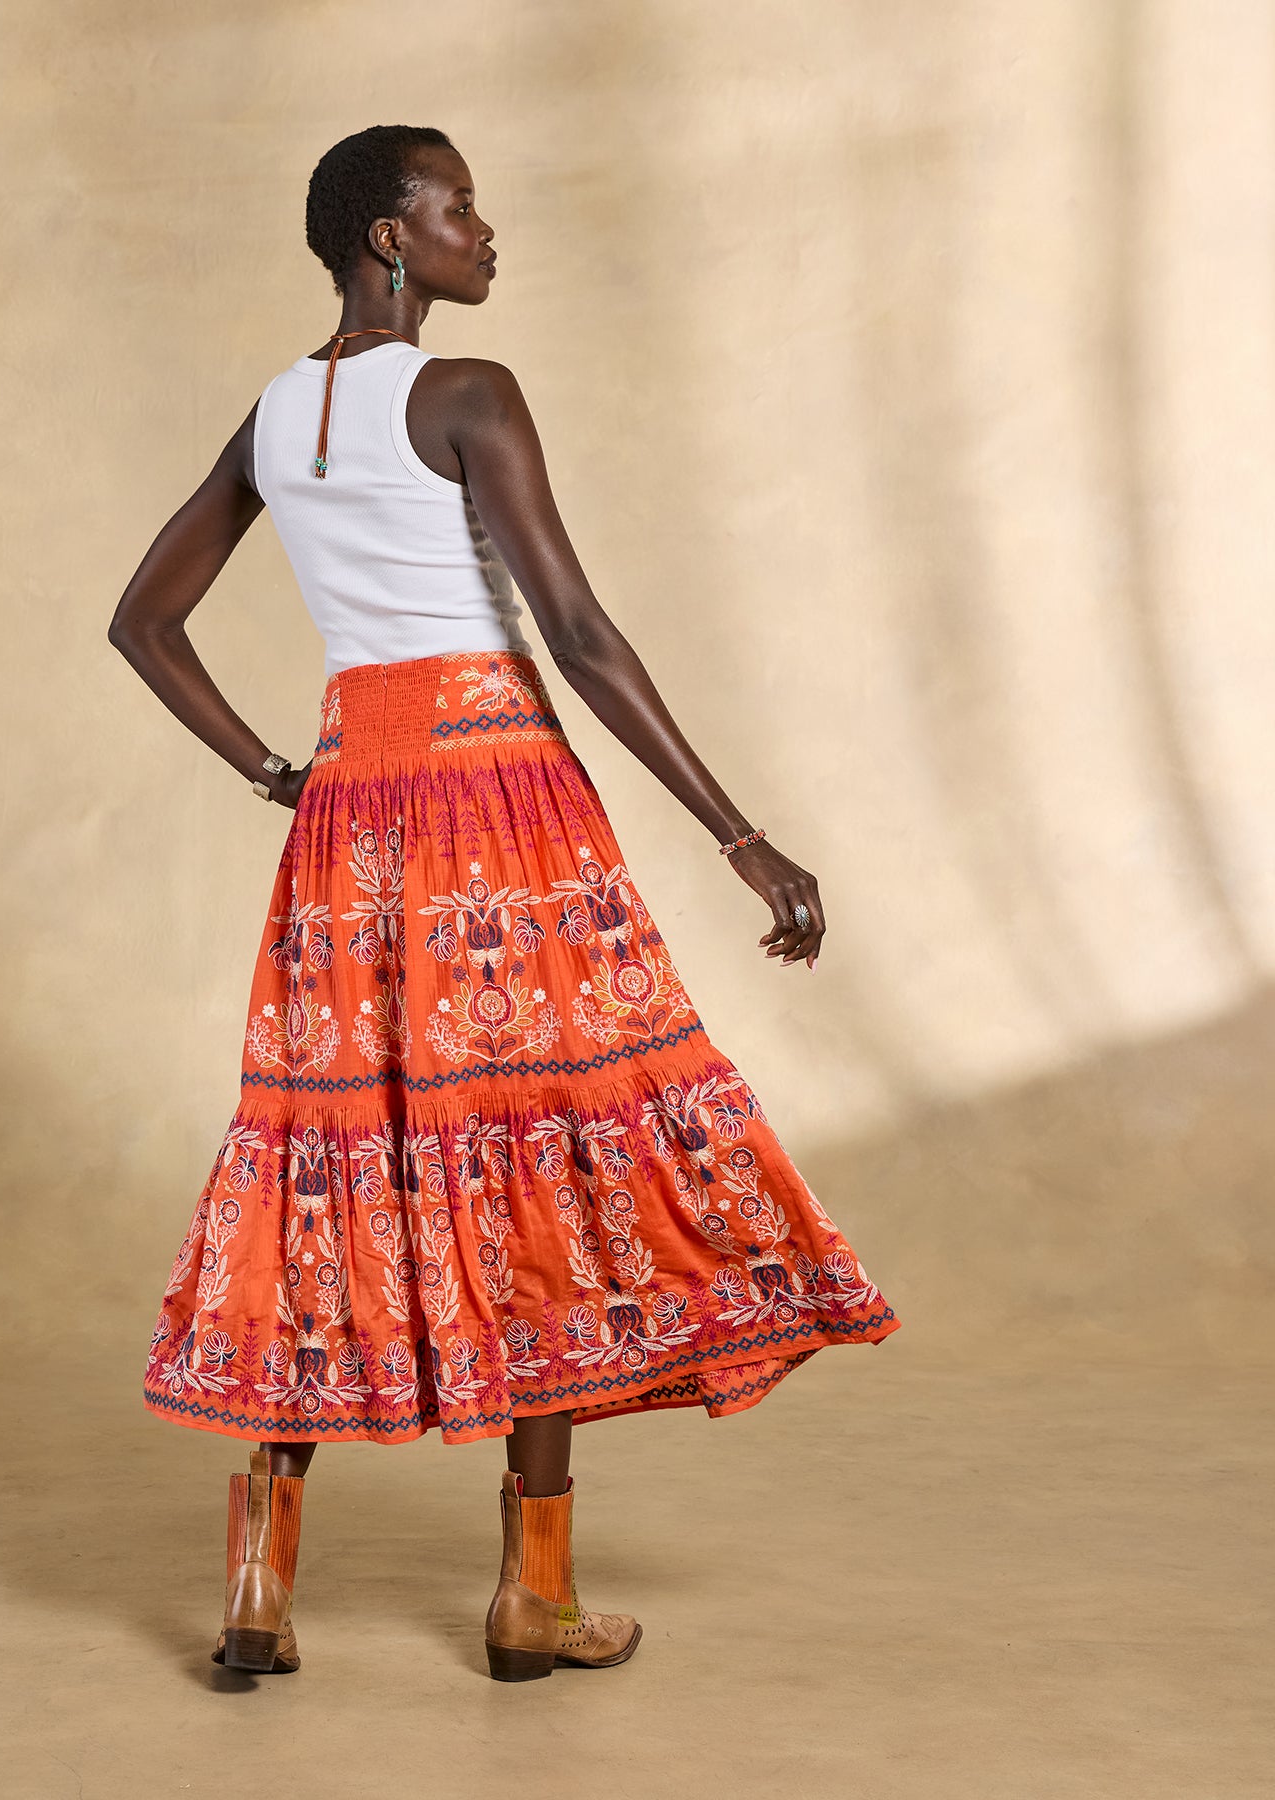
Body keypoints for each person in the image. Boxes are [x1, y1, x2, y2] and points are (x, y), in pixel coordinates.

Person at [108, 124, 900, 1683]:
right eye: (456, 207)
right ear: (387, 240)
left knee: (333, 1159)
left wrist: (280, 773)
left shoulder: (274, 417)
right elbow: (581, 635)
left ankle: (259, 1590)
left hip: (350, 824)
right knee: (543, 1151)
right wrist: (742, 837)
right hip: (500, 808)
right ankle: (531, 1597)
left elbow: (143, 621)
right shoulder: (470, 392)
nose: (484, 229)